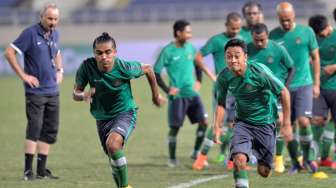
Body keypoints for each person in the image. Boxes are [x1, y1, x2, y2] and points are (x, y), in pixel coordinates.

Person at [73, 32, 165, 188]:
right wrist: (83, 95)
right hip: (102, 118)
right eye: (99, 53)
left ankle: (125, 187)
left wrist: (155, 96)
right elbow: (75, 93)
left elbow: (149, 69)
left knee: (113, 145)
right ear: (94, 54)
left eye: (108, 52)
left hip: (125, 112)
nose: (104, 57)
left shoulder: (124, 67)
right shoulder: (86, 67)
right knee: (113, 157)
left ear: (114, 52)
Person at [214, 38, 292, 188]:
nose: (233, 60)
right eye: (229, 56)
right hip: (243, 123)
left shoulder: (259, 72)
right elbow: (221, 104)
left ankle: (264, 161)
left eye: (237, 56)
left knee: (264, 171)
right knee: (239, 159)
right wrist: (217, 127)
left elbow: (284, 92)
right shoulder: (224, 77)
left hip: (266, 123)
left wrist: (287, 123)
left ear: (246, 57)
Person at [4, 3, 62, 180]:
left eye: (55, 19)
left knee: (49, 130)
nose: (53, 22)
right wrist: (24, 76)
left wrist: (60, 70)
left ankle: (41, 170)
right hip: (35, 92)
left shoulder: (55, 34)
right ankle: (28, 171)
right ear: (41, 17)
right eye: (49, 18)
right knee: (35, 129)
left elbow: (57, 52)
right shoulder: (30, 33)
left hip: (53, 91)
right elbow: (9, 53)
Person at [269, 2, 327, 178]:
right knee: (285, 125)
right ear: (278, 18)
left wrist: (316, 83)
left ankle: (309, 158)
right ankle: (294, 162)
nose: (286, 23)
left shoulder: (307, 32)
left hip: (304, 84)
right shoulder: (273, 35)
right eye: (282, 20)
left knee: (303, 121)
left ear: (294, 15)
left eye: (288, 19)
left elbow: (315, 57)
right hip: (283, 87)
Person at [154, 20, 208, 167]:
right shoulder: (168, 51)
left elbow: (198, 63)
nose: (190, 35)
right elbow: (156, 72)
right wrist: (167, 89)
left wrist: (199, 81)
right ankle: (172, 159)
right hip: (177, 96)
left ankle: (196, 152)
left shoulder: (191, 48)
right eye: (188, 32)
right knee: (175, 128)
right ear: (178, 33)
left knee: (204, 123)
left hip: (192, 93)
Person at [192, 12, 243, 171]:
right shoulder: (216, 41)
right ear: (226, 25)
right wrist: (211, 75)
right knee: (218, 123)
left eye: (238, 28)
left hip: (239, 89)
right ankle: (201, 158)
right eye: (233, 28)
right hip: (223, 88)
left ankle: (231, 160)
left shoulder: (241, 41)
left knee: (234, 125)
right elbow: (198, 57)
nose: (235, 31)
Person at [247, 23, 295, 173]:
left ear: (267, 36)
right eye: (256, 40)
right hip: (254, 95)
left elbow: (291, 67)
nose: (259, 43)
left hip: (275, 93)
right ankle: (258, 155)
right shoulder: (246, 49)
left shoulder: (278, 49)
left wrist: (284, 87)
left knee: (279, 121)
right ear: (252, 37)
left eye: (262, 40)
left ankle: (278, 158)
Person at [308, 14, 336, 169]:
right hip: (318, 86)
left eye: (322, 33)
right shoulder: (313, 39)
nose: (321, 36)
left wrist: (334, 67)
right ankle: (312, 157)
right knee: (317, 119)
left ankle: (327, 157)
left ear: (327, 26)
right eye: (317, 34)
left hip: (335, 86)